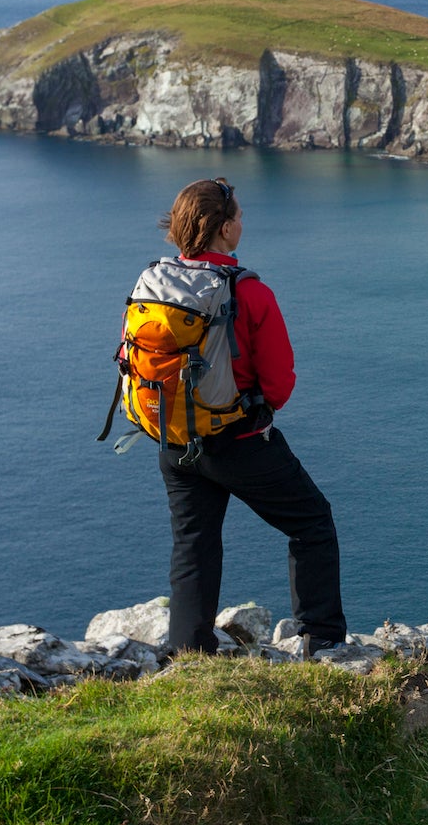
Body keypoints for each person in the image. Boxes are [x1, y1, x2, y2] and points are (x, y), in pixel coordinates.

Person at [146, 177, 346, 658]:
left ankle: (190, 654)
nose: (242, 223)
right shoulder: (249, 292)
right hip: (238, 439)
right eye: (238, 217)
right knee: (312, 522)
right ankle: (320, 638)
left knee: (194, 545)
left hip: (174, 441)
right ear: (225, 229)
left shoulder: (156, 282)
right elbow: (279, 384)